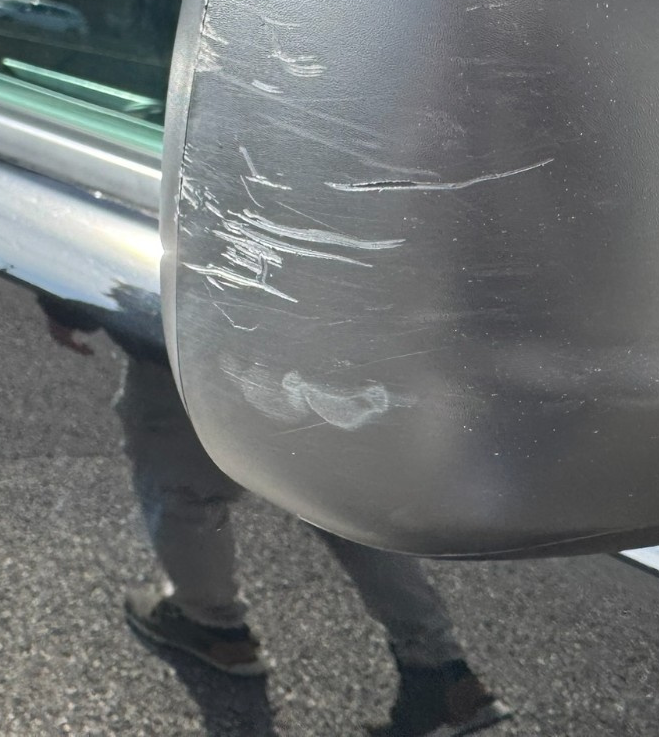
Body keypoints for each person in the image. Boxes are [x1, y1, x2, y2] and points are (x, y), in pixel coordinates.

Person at [39, 293, 510, 737]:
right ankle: (440, 667)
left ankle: (213, 625)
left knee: (184, 487)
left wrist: (68, 306)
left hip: (197, 336)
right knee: (339, 505)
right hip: (319, 337)